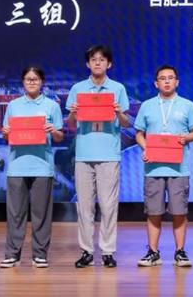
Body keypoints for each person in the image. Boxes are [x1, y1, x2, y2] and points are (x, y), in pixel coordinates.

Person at [66, 44, 130, 268]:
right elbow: (71, 124)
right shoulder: (78, 89)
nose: (97, 63)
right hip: (84, 155)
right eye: (93, 59)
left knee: (108, 205)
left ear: (109, 64)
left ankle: (108, 251)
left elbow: (125, 123)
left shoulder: (118, 89)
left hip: (109, 154)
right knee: (84, 207)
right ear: (88, 63)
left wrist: (118, 112)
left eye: (102, 59)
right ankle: (86, 251)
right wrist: (73, 112)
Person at [135, 65, 193, 268]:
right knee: (153, 211)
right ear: (156, 83)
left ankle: (180, 252)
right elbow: (139, 134)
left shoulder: (187, 105)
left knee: (179, 211)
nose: (167, 81)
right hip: (153, 167)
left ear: (177, 82)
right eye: (162, 78)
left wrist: (185, 137)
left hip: (179, 168)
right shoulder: (147, 106)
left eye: (171, 78)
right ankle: (153, 252)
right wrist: (147, 149)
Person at [0, 65, 63, 268]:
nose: (32, 82)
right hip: (17, 166)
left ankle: (40, 254)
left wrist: (53, 130)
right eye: (28, 79)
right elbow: (6, 136)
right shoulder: (13, 105)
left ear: (42, 82)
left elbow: (59, 136)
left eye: (35, 79)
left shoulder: (52, 106)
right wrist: (5, 132)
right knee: (15, 214)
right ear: (23, 82)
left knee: (41, 213)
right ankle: (12, 254)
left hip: (42, 167)